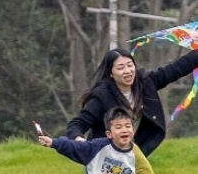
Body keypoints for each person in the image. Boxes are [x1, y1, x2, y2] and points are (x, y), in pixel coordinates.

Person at [66, 47, 198, 156]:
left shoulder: (145, 83)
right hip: (101, 159)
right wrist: (79, 140)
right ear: (111, 73)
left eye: (130, 65)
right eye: (120, 68)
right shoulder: (102, 97)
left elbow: (174, 70)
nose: (127, 71)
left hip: (131, 155)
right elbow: (77, 124)